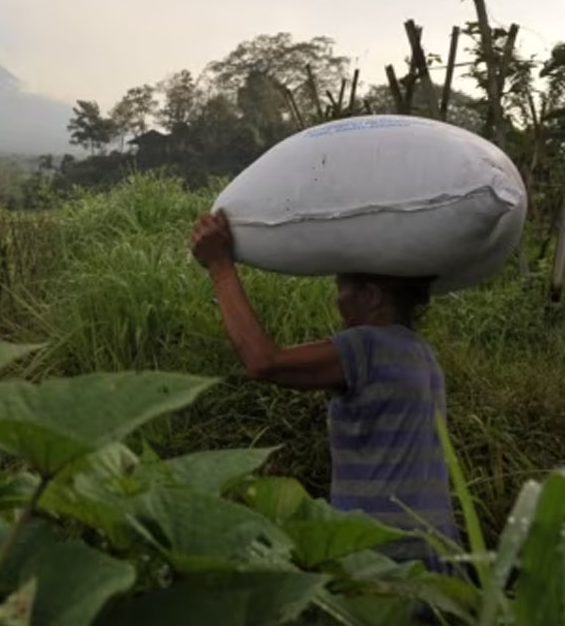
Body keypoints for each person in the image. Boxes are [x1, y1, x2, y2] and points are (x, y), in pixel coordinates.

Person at [190, 209, 459, 571]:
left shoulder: (367, 347)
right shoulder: (420, 353)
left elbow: (264, 361)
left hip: (382, 555)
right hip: (438, 549)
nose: (337, 303)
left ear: (373, 297)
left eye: (341, 291)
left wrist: (220, 268)